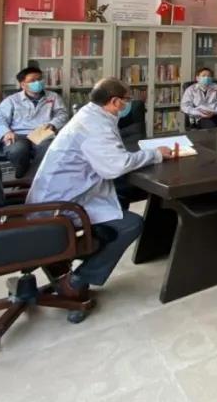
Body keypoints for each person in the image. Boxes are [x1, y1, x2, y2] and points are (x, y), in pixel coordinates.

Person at [26, 78, 173, 298]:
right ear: (114, 101)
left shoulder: (91, 114)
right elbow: (116, 166)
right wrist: (156, 154)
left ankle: (85, 250)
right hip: (61, 205)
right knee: (131, 224)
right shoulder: (95, 125)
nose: (128, 105)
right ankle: (77, 281)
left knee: (122, 195)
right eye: (126, 100)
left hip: (66, 192)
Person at [0, 66, 69, 178]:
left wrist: (53, 124)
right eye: (33, 80)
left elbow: (62, 114)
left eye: (40, 79)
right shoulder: (12, 100)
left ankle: (33, 178)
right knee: (17, 150)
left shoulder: (53, 97)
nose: (38, 82)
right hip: (18, 135)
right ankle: (24, 176)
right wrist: (6, 132)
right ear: (23, 85)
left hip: (43, 133)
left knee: (48, 149)